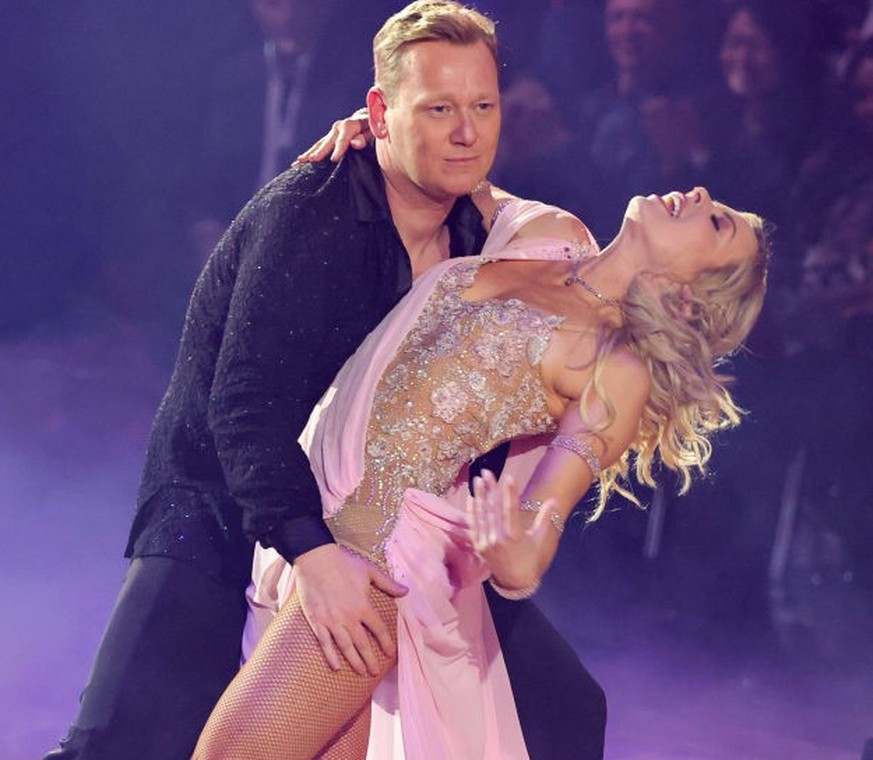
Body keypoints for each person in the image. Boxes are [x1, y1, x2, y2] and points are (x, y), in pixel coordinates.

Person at [43, 3, 606, 759]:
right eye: (437, 109)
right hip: (228, 512)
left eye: (482, 106)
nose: (467, 132)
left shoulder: (481, 230)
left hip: (385, 531)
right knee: (117, 746)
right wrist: (312, 556)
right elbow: (240, 410)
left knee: (564, 712)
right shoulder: (311, 215)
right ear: (381, 112)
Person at [193, 184, 770, 758]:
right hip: (304, 517)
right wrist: (367, 129)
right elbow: (426, 168)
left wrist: (513, 552)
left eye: (718, 223)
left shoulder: (614, 368)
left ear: (691, 300)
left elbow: (539, 527)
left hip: (374, 560)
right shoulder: (549, 233)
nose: (699, 193)